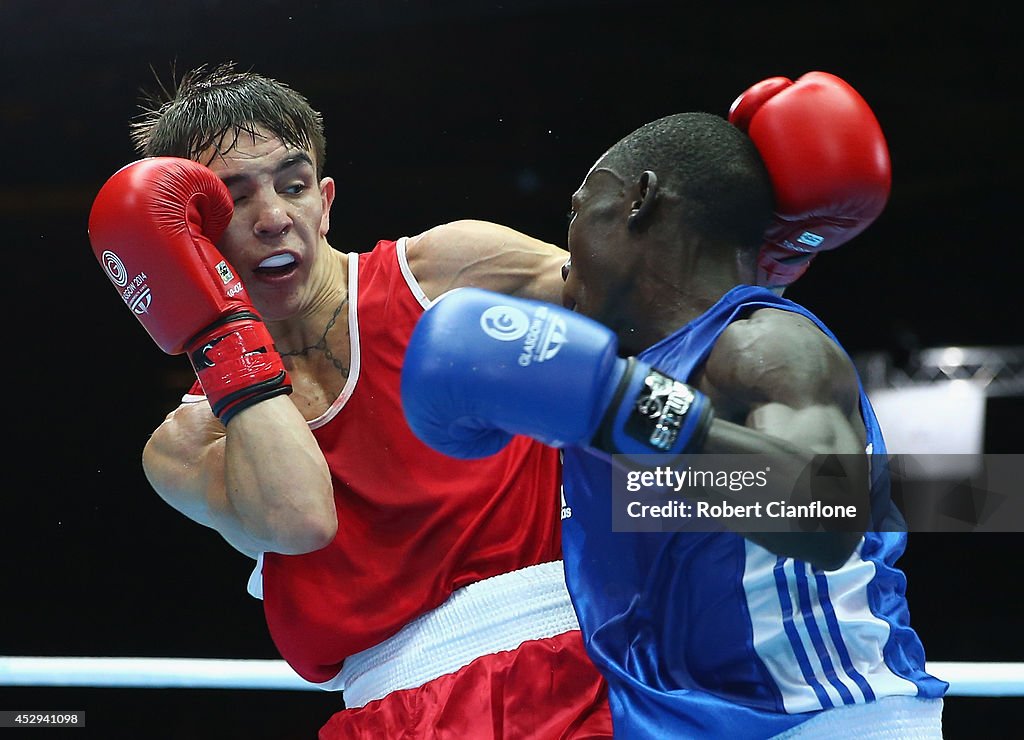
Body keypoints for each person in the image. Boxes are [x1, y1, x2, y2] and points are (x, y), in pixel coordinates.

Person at [401, 73, 949, 738]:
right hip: (687, 722)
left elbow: (825, 511)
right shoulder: (624, 379)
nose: (565, 254)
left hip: (827, 720)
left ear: (639, 198)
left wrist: (619, 408)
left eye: (577, 209)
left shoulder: (763, 341)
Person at [87, 62, 613, 738]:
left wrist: (771, 238)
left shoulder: (446, 275)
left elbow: (641, 312)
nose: (274, 218)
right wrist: (217, 330)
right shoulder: (186, 447)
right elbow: (300, 519)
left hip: (575, 671)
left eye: (294, 186)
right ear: (187, 235)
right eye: (233, 199)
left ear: (325, 201)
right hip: (388, 713)